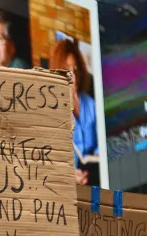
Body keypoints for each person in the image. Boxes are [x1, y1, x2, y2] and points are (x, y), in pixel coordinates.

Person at [50, 38, 97, 186]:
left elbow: (100, 145)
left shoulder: (91, 103)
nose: (74, 76)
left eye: (75, 68)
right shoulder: (51, 111)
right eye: (67, 70)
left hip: (94, 177)